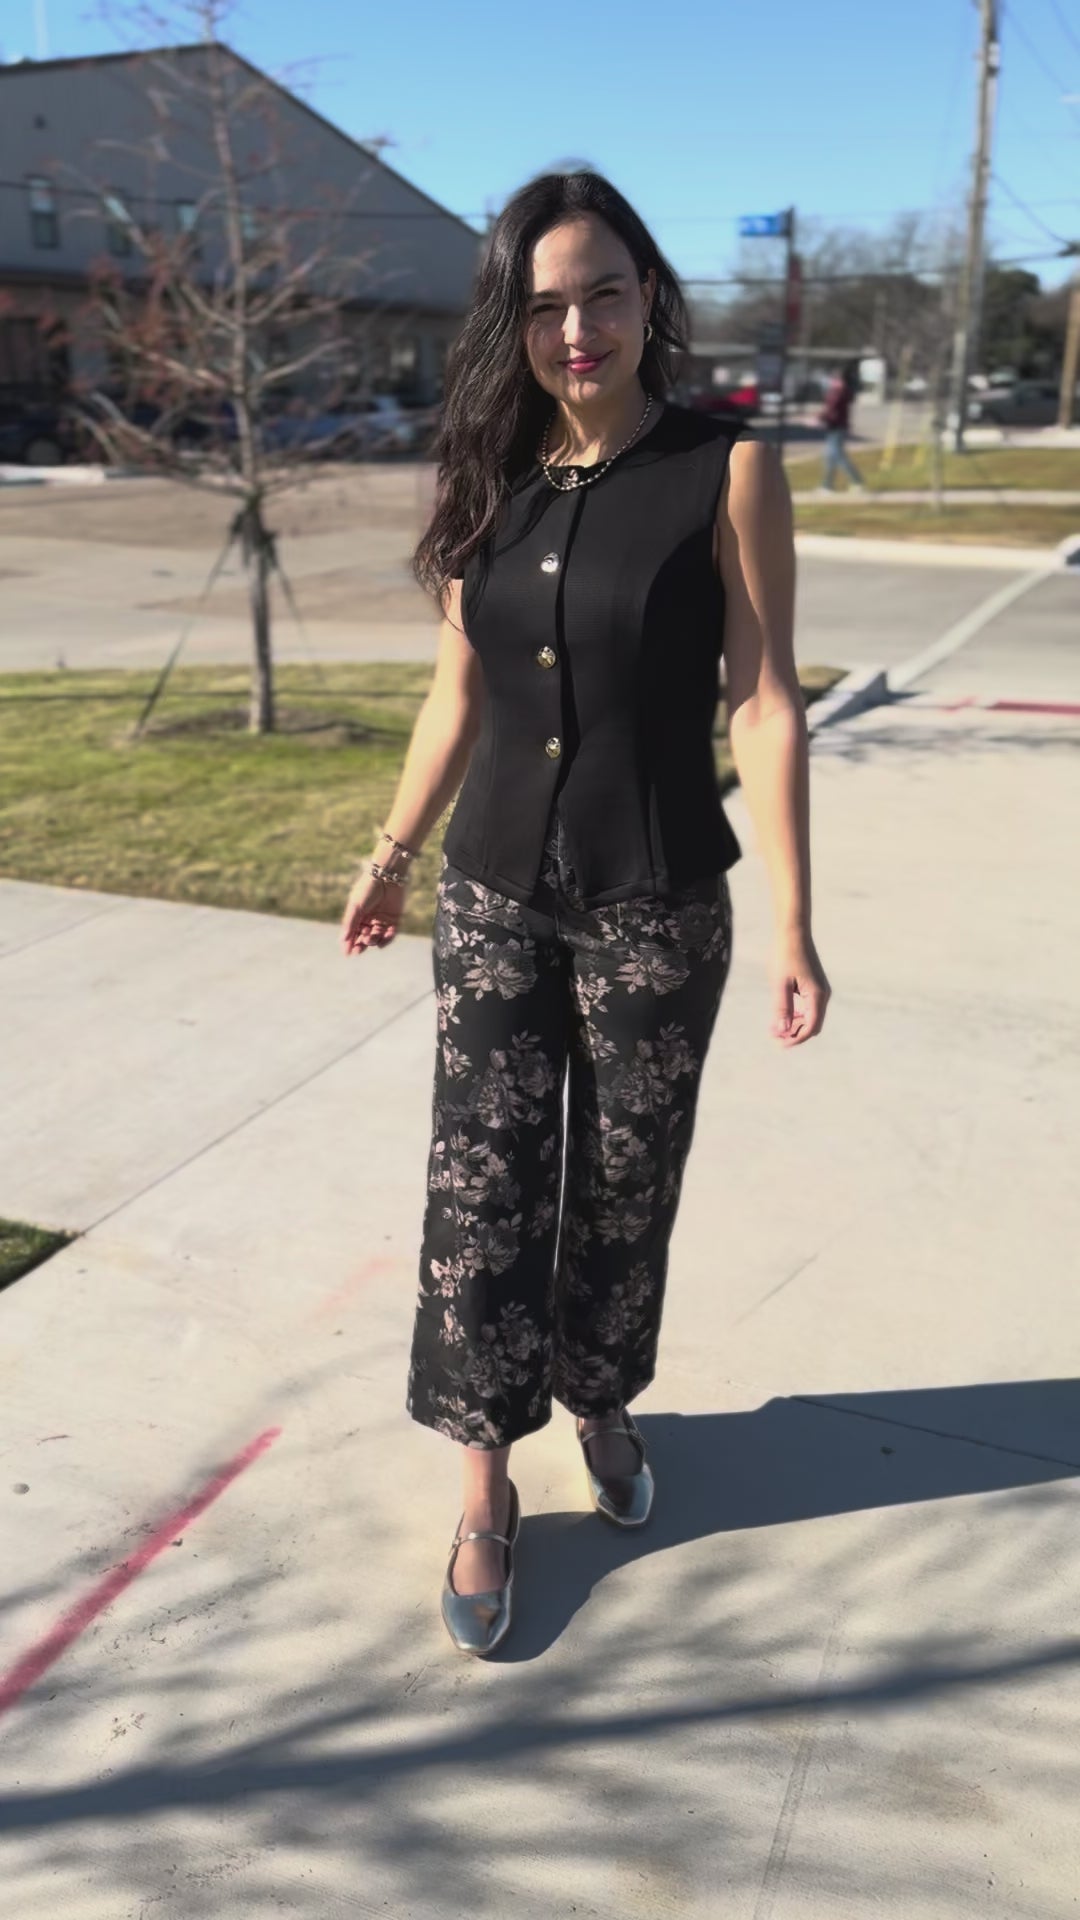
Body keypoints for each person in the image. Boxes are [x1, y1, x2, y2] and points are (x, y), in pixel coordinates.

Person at [339, 171, 832, 1657]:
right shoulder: (483, 471)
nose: (577, 328)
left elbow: (766, 697)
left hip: (659, 903)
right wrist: (389, 845)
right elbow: (456, 690)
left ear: (646, 295)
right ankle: (488, 1480)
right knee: (482, 1190)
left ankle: (601, 1396)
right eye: (545, 302)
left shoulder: (722, 468)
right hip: (496, 894)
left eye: (603, 292)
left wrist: (799, 921)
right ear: (515, 315)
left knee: (623, 1185)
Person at [816, 359, 868, 495]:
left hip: (836, 428)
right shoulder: (841, 392)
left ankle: (857, 482)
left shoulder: (839, 392)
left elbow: (831, 409)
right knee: (830, 457)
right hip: (835, 427)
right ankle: (827, 485)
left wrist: (819, 419)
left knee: (838, 456)